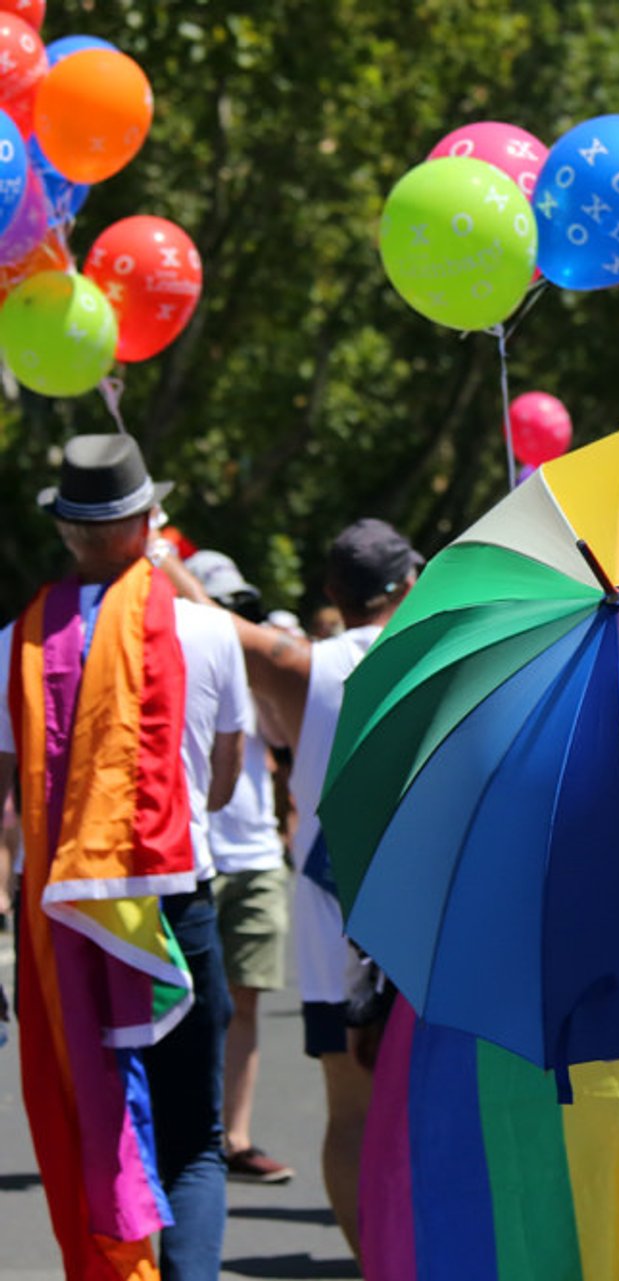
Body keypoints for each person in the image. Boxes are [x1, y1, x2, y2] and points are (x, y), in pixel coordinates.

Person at [1, 434, 248, 1280]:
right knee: (194, 1140)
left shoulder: (15, 643)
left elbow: (8, 803)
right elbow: (220, 786)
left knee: (92, 1123)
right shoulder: (211, 633)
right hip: (178, 906)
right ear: (150, 523)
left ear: (68, 532)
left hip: (60, 918)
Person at [211, 517, 422, 1261]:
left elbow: (214, 622)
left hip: (332, 910)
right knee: (438, 1099)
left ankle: (376, 1263)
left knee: (350, 1108)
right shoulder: (448, 650)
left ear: (333, 591)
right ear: (407, 583)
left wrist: (161, 549)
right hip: (435, 904)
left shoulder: (303, 665)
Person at [184, 549, 298, 1186]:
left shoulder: (252, 669)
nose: (230, 618)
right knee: (185, 1006)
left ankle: (235, 1136)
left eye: (237, 607)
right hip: (191, 855)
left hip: (253, 855)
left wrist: (252, 671)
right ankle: (185, 1130)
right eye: (218, 605)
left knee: (245, 1003)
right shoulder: (173, 651)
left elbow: (283, 736)